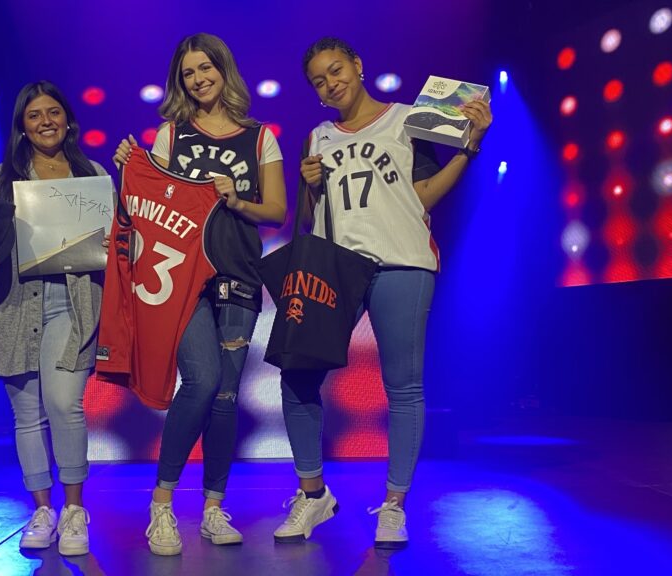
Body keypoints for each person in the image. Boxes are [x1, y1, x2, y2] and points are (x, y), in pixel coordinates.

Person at [272, 37, 492, 549]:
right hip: (336, 269)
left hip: (402, 261)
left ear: (358, 65)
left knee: (403, 387)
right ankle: (313, 494)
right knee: (297, 374)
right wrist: (307, 184)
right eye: (319, 81)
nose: (331, 84)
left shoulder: (407, 118)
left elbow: (423, 194)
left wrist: (470, 147)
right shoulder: (317, 136)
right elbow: (308, 221)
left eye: (336, 71)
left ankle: (393, 506)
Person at [113, 32, 286, 555]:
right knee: (203, 380)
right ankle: (162, 505)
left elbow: (276, 210)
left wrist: (237, 199)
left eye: (205, 68)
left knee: (227, 395)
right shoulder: (171, 136)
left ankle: (213, 508)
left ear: (223, 70)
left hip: (238, 273)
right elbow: (143, 207)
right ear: (180, 81)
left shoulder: (260, 139)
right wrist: (128, 167)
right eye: (188, 73)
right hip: (179, 280)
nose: (198, 79)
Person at [0, 80, 111, 557]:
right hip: (12, 305)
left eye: (54, 112)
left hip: (73, 302)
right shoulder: (3, 177)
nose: (45, 121)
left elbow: (117, 238)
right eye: (34, 115)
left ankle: (73, 510)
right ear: (22, 127)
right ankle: (43, 509)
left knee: (64, 403)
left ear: (68, 120)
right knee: (27, 414)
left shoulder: (92, 174)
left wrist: (113, 245)